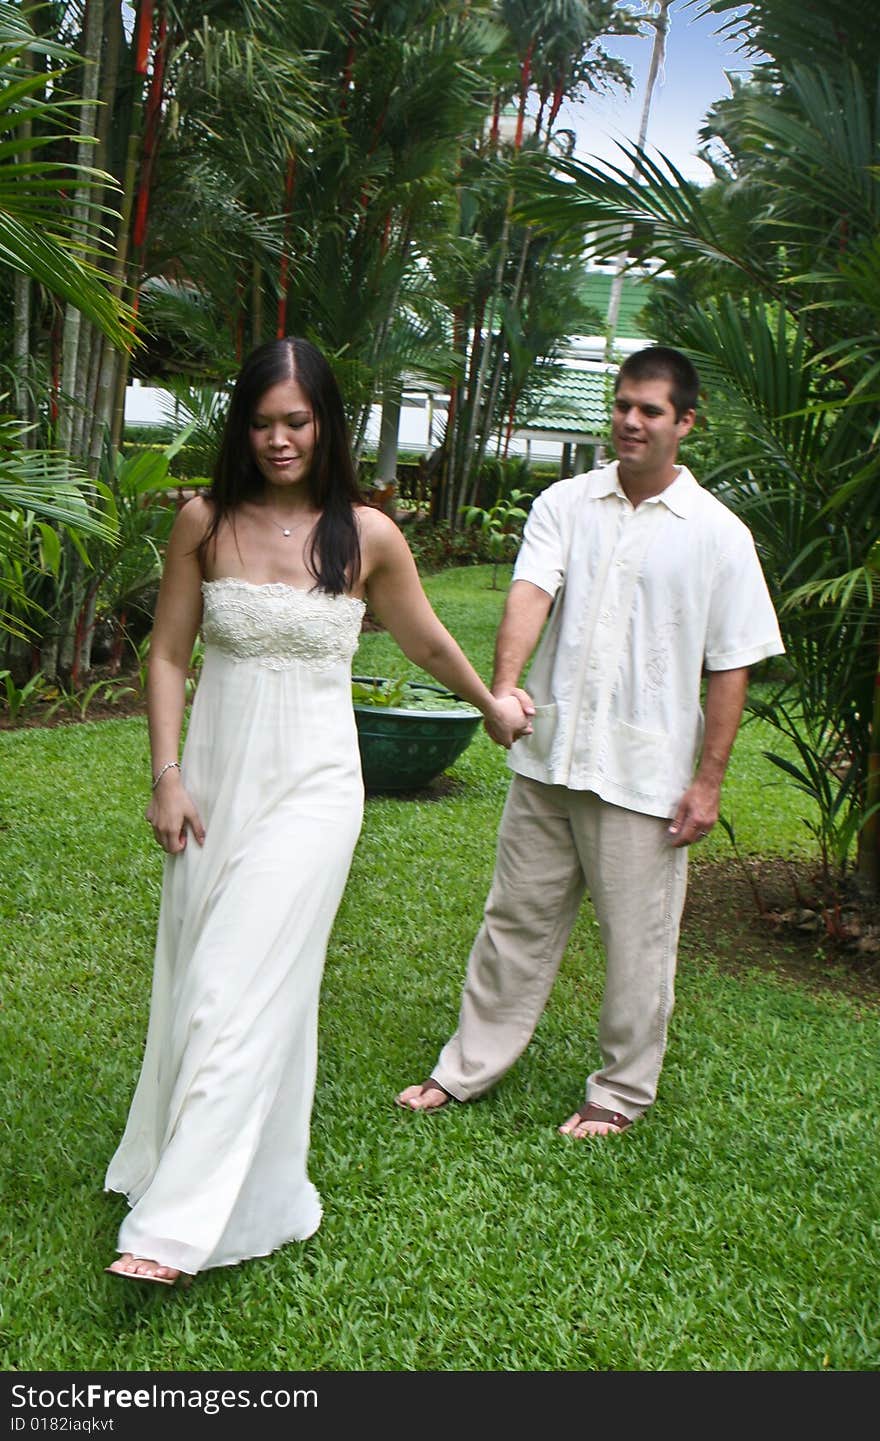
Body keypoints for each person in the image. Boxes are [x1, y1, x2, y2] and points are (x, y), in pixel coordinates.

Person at [104, 336, 529, 1285]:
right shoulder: (203, 522)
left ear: (326, 424)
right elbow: (168, 655)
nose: (279, 439)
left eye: (296, 421)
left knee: (233, 984)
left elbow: (424, 640)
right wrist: (166, 772)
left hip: (315, 788)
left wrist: (490, 705)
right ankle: (213, 1170)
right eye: (262, 422)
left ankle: (171, 1231)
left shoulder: (367, 534)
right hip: (215, 780)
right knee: (208, 977)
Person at [396, 346, 784, 1137]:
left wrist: (707, 783)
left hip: (645, 772)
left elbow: (730, 666)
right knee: (515, 919)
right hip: (551, 753)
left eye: (650, 410)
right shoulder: (567, 502)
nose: (632, 422)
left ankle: (619, 1092)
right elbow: (531, 592)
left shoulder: (719, 534)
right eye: (623, 405)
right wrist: (506, 687)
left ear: (685, 422)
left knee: (638, 944)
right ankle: (467, 1066)